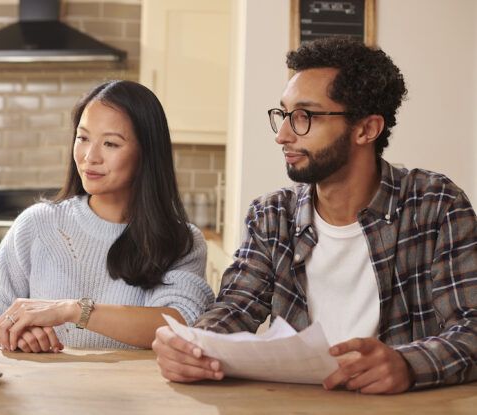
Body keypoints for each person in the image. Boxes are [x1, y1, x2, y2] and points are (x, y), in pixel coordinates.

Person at [153, 37, 476, 393]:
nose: (283, 135)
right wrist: (192, 345)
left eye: (305, 117)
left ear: (366, 129)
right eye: (284, 115)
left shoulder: (435, 204)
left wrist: (408, 364)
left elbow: (472, 328)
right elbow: (235, 308)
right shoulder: (273, 214)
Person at [0, 80, 214, 352]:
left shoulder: (181, 241)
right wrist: (4, 334)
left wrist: (73, 310)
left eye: (111, 144)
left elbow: (181, 324)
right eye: (83, 138)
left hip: (135, 393)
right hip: (44, 391)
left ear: (146, 153)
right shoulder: (37, 225)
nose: (90, 157)